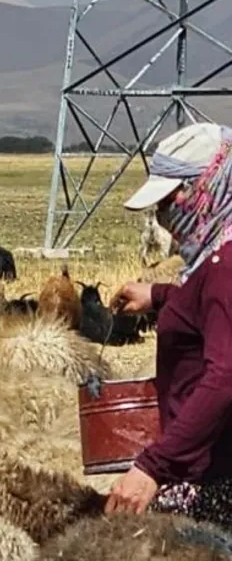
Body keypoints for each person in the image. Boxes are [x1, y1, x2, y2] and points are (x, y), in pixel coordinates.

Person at [106, 121, 232, 529]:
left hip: (214, 478)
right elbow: (214, 314)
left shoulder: (224, 266)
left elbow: (226, 375)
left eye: (173, 196)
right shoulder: (216, 252)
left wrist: (153, 467)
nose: (165, 213)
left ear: (209, 185)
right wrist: (160, 296)